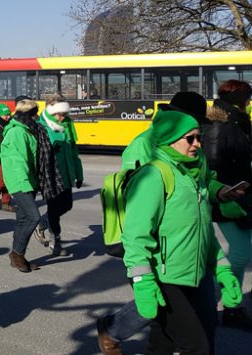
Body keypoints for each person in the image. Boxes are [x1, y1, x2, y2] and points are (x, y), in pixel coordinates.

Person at [97, 91, 246, 354]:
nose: (198, 141)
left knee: (173, 335)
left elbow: (199, 184)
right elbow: (138, 202)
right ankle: (112, 329)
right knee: (180, 331)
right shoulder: (146, 150)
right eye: (192, 133)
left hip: (192, 254)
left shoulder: (191, 146)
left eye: (199, 131)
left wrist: (219, 191)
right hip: (162, 259)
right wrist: (142, 276)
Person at [203, 79, 252, 329]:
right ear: (238, 99)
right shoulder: (219, 125)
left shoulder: (238, 122)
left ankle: (232, 306)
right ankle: (213, 297)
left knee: (241, 252)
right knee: (242, 251)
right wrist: (223, 190)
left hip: (241, 192)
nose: (249, 102)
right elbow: (212, 165)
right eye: (247, 98)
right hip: (227, 196)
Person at [0, 98, 47, 272]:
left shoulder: (26, 129)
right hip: (20, 181)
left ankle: (18, 256)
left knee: (22, 219)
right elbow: (18, 161)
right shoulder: (17, 132)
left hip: (28, 179)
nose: (37, 116)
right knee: (34, 217)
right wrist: (26, 183)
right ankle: (17, 254)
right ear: (28, 114)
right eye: (35, 113)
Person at [38, 98, 83, 256]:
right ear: (51, 112)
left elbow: (74, 152)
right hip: (51, 175)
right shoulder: (41, 126)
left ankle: (43, 221)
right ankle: (55, 242)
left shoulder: (68, 124)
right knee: (53, 209)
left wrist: (79, 174)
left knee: (67, 205)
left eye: (65, 114)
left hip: (67, 173)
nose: (63, 118)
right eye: (60, 115)